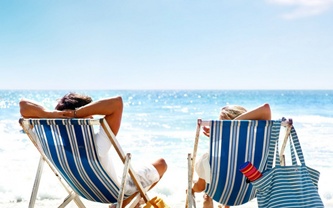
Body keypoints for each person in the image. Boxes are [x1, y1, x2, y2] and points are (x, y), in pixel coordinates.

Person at [19, 92, 168, 208]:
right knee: (161, 164)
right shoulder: (97, 144)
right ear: (87, 115)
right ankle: (122, 205)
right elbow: (117, 103)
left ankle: (127, 203)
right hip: (114, 193)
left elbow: (23, 105)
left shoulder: (48, 142)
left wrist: (48, 115)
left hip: (81, 191)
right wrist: (77, 115)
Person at [191, 103, 272, 208]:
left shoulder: (215, 156)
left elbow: (202, 186)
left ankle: (192, 190)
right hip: (247, 191)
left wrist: (225, 131)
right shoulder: (256, 144)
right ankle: (225, 206)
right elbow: (266, 109)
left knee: (210, 167)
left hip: (219, 189)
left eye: (222, 126)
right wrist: (226, 132)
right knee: (234, 166)